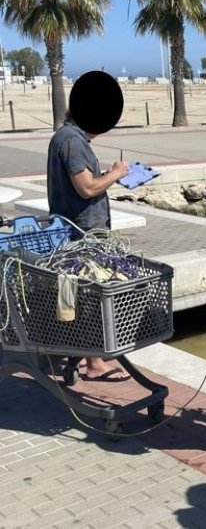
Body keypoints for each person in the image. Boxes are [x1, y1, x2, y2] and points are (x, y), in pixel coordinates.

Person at [47, 71, 130, 382]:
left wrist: (106, 174)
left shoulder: (67, 138)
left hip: (74, 231)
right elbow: (87, 188)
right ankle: (94, 364)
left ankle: (78, 355)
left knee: (77, 298)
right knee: (91, 296)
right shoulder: (71, 141)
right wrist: (118, 173)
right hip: (82, 234)